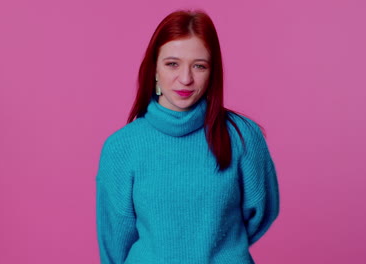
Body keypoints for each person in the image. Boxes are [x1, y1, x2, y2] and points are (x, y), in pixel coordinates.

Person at [95, 9, 280, 264]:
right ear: (155, 70)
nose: (185, 79)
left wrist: (222, 251)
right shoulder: (121, 147)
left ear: (212, 72)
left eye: (199, 66)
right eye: (172, 64)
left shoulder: (242, 136)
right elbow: (115, 241)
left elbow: (261, 211)